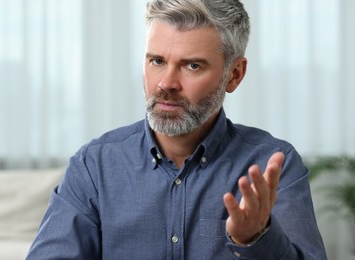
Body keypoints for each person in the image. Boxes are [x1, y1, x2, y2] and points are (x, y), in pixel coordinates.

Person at [27, 0, 327, 259]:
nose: (166, 83)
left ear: (234, 75)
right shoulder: (94, 166)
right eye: (157, 61)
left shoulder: (274, 164)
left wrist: (256, 239)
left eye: (192, 66)